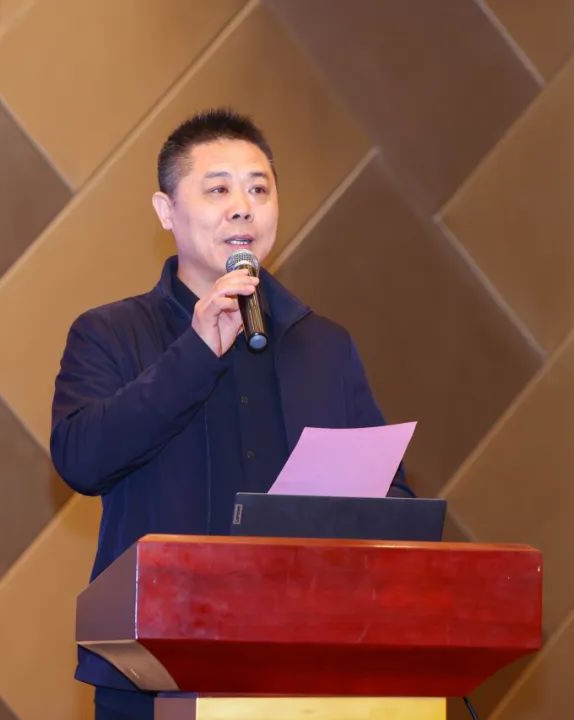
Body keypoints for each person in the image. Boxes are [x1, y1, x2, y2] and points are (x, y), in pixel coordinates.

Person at [50, 108, 412, 720]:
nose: (243, 208)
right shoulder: (108, 334)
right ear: (166, 211)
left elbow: (390, 493)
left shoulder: (324, 345)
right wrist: (194, 353)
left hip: (306, 672)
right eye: (218, 190)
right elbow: (82, 460)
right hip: (155, 675)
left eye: (259, 190)